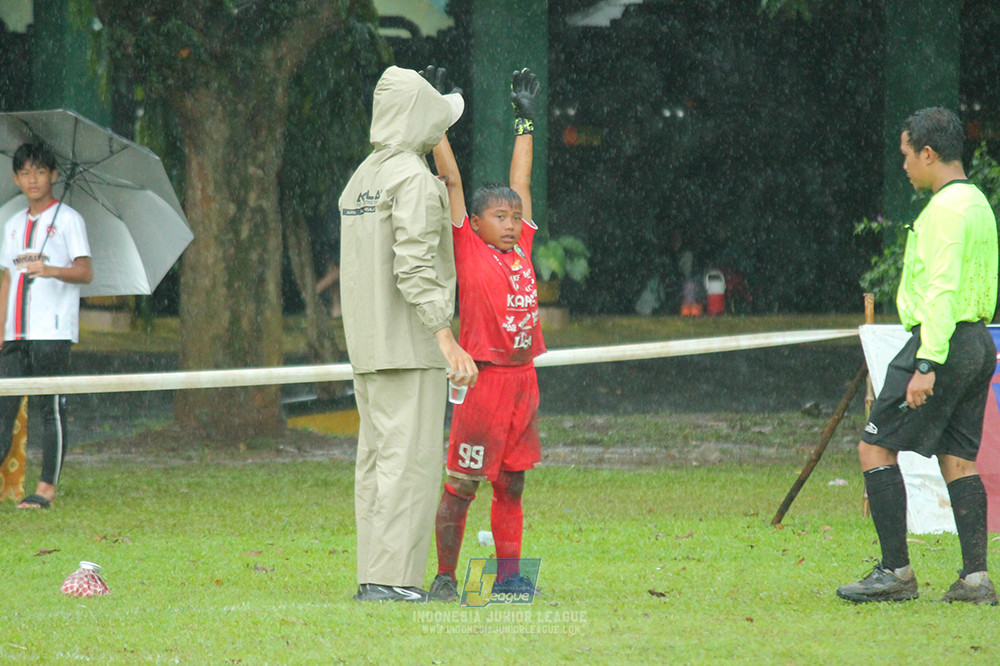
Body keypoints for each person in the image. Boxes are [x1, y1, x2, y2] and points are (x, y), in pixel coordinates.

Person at [836, 107, 999, 605]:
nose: (904, 165)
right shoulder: (977, 204)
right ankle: (976, 580)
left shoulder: (945, 211)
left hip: (941, 341)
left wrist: (926, 362)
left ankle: (896, 572)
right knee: (959, 458)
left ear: (928, 153)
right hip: (978, 343)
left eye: (907, 155)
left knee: (874, 446)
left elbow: (945, 288)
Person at [339, 66, 478, 603]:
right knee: (410, 463)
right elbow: (416, 266)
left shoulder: (363, 179)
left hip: (369, 347)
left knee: (375, 464)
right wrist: (444, 336)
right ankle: (394, 581)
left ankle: (375, 574)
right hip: (410, 345)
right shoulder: (414, 181)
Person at [427, 68, 546, 602]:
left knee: (513, 483)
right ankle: (446, 577)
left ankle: (509, 579)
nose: (511, 223)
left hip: (524, 381)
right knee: (461, 484)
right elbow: (452, 181)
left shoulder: (520, 247)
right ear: (474, 223)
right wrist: (436, 117)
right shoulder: (469, 247)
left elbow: (520, 184)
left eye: (515, 218)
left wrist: (525, 120)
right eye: (499, 217)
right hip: (485, 385)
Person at [0, 141, 93, 510]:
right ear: (16, 178)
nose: (33, 179)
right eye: (25, 172)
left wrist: (50, 268)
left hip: (51, 331)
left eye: (40, 171)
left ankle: (44, 490)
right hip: (15, 334)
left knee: (48, 408)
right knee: (4, 407)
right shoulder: (11, 224)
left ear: (53, 175)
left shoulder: (69, 220)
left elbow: (85, 271)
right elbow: (6, 279)